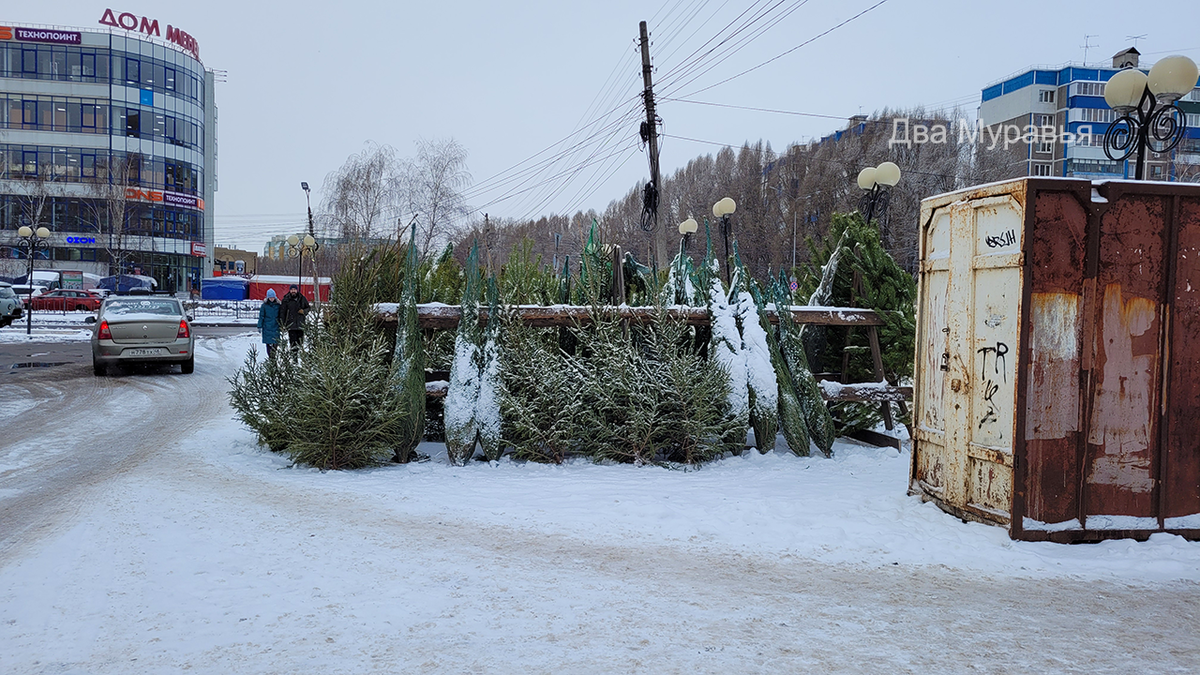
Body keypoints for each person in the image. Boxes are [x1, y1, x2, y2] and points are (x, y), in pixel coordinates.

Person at [279, 284, 310, 351]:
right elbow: (282, 312)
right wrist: (283, 323)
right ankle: (294, 359)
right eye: (292, 289)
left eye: (295, 289)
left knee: (300, 344)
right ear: (290, 290)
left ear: (297, 290)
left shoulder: (302, 298)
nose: (293, 291)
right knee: (293, 345)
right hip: (291, 325)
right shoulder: (286, 300)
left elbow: (308, 307)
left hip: (300, 325)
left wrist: (304, 311)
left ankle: (299, 357)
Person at [257, 288, 281, 358]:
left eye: (273, 297)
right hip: (267, 327)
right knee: (268, 344)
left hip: (276, 326)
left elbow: (281, 315)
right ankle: (271, 359)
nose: (271, 299)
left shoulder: (278, 305)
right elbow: (261, 316)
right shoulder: (264, 306)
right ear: (268, 297)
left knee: (276, 343)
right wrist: (259, 325)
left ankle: (273, 358)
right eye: (270, 297)